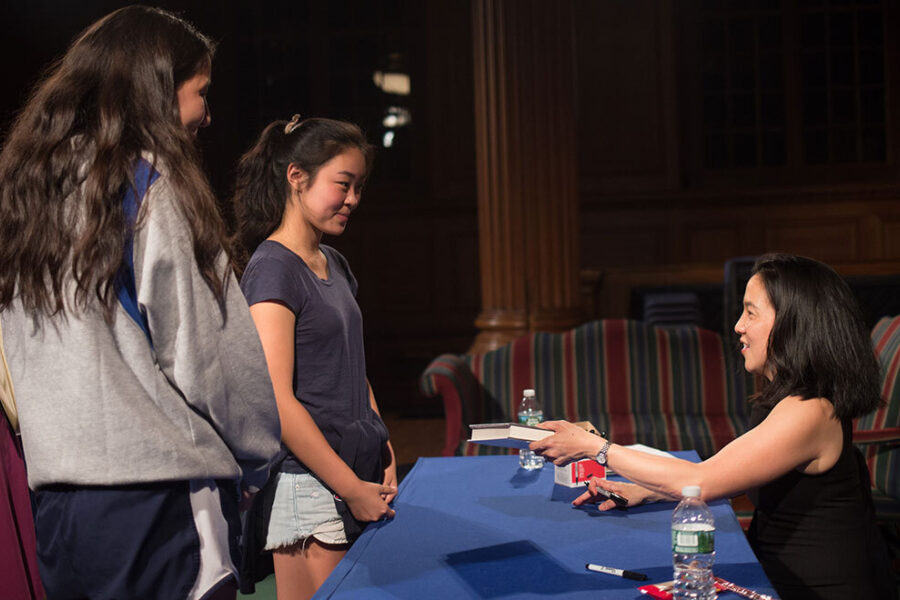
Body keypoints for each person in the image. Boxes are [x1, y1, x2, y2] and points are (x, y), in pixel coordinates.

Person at [0, 7, 281, 600]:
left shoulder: (21, 192)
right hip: (159, 499)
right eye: (200, 91)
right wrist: (260, 454)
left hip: (57, 504)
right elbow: (209, 356)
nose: (208, 112)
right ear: (154, 87)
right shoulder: (147, 185)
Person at [531, 254, 897, 600]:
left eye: (751, 313)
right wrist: (652, 491)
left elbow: (703, 481)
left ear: (792, 323)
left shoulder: (809, 410)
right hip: (776, 573)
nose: (738, 326)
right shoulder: (788, 399)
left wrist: (595, 448)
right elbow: (728, 474)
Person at [233, 115, 397, 600]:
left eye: (359, 187)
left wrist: (382, 446)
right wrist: (350, 487)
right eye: (342, 185)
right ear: (297, 177)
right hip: (310, 485)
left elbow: (353, 367)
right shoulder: (271, 270)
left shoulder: (334, 262)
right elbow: (277, 403)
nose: (352, 200)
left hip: (352, 471)